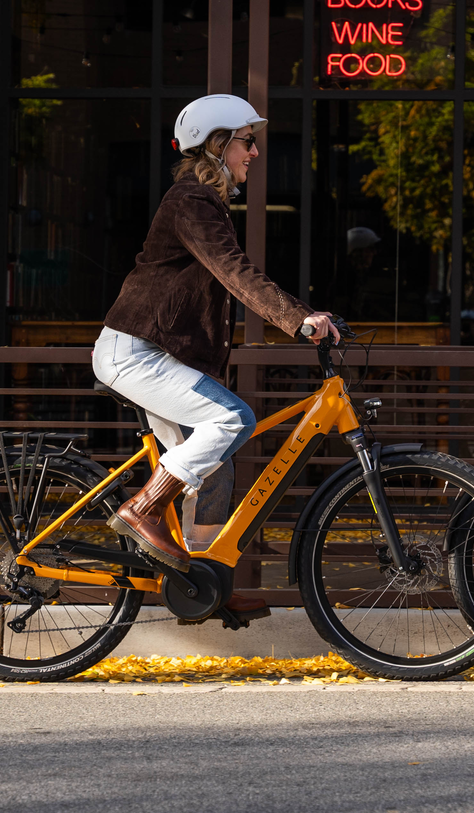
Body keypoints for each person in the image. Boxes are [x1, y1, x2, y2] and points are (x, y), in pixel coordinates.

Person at [93, 94, 337, 618]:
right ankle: (143, 508)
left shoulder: (207, 203)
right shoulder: (191, 202)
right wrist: (298, 319)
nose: (254, 153)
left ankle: (205, 583)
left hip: (152, 355)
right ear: (219, 143)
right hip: (136, 353)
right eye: (248, 142)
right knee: (233, 418)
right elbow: (235, 272)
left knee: (217, 464)